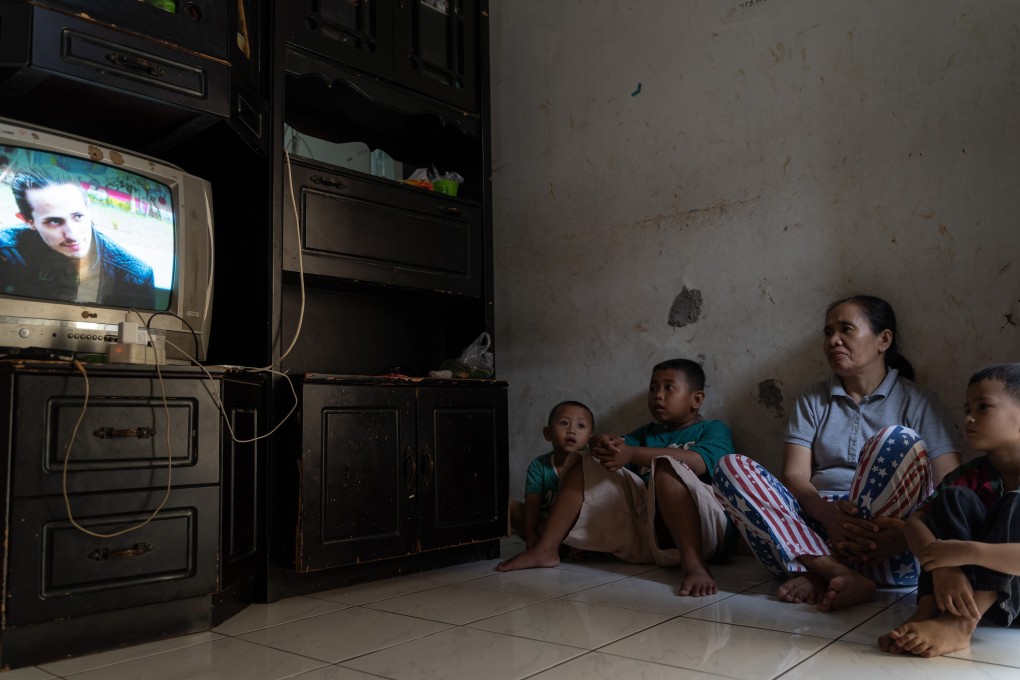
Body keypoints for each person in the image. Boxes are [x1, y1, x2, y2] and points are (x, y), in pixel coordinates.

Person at [713, 295, 963, 611]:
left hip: (885, 547)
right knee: (730, 466)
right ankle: (836, 572)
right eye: (828, 332)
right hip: (815, 529)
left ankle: (820, 573)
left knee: (898, 439)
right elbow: (794, 476)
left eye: (846, 329)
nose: (833, 340)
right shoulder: (813, 399)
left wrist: (906, 535)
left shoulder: (918, 401)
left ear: (883, 340)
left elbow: (951, 485)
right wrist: (828, 516)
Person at [498, 358, 739, 597]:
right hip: (649, 537)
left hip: (706, 534)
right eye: (653, 388)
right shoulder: (647, 433)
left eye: (669, 388)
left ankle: (694, 565)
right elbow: (608, 448)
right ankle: (546, 549)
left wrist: (633, 454)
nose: (658, 395)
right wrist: (598, 442)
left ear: (696, 399)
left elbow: (697, 462)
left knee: (667, 467)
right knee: (587, 460)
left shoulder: (713, 429)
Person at [880, 363, 1020, 657]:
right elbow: (914, 523)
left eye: (983, 407)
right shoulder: (971, 474)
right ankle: (929, 611)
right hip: (962, 592)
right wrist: (944, 564)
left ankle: (959, 626)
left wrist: (965, 552)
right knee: (953, 497)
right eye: (967, 407)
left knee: (1014, 502)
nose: (969, 417)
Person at [0, 166, 155, 309]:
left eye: (78, 216)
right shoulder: (5, 250)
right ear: (28, 221)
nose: (73, 235)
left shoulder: (136, 276)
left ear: (88, 208)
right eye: (54, 221)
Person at [509, 400, 593, 549]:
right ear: (548, 433)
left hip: (577, 530)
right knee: (507, 504)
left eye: (580, 426)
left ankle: (576, 548)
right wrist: (529, 533)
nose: (571, 430)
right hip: (544, 528)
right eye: (564, 423)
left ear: (589, 439)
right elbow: (532, 503)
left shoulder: (591, 466)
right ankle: (544, 543)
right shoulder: (539, 466)